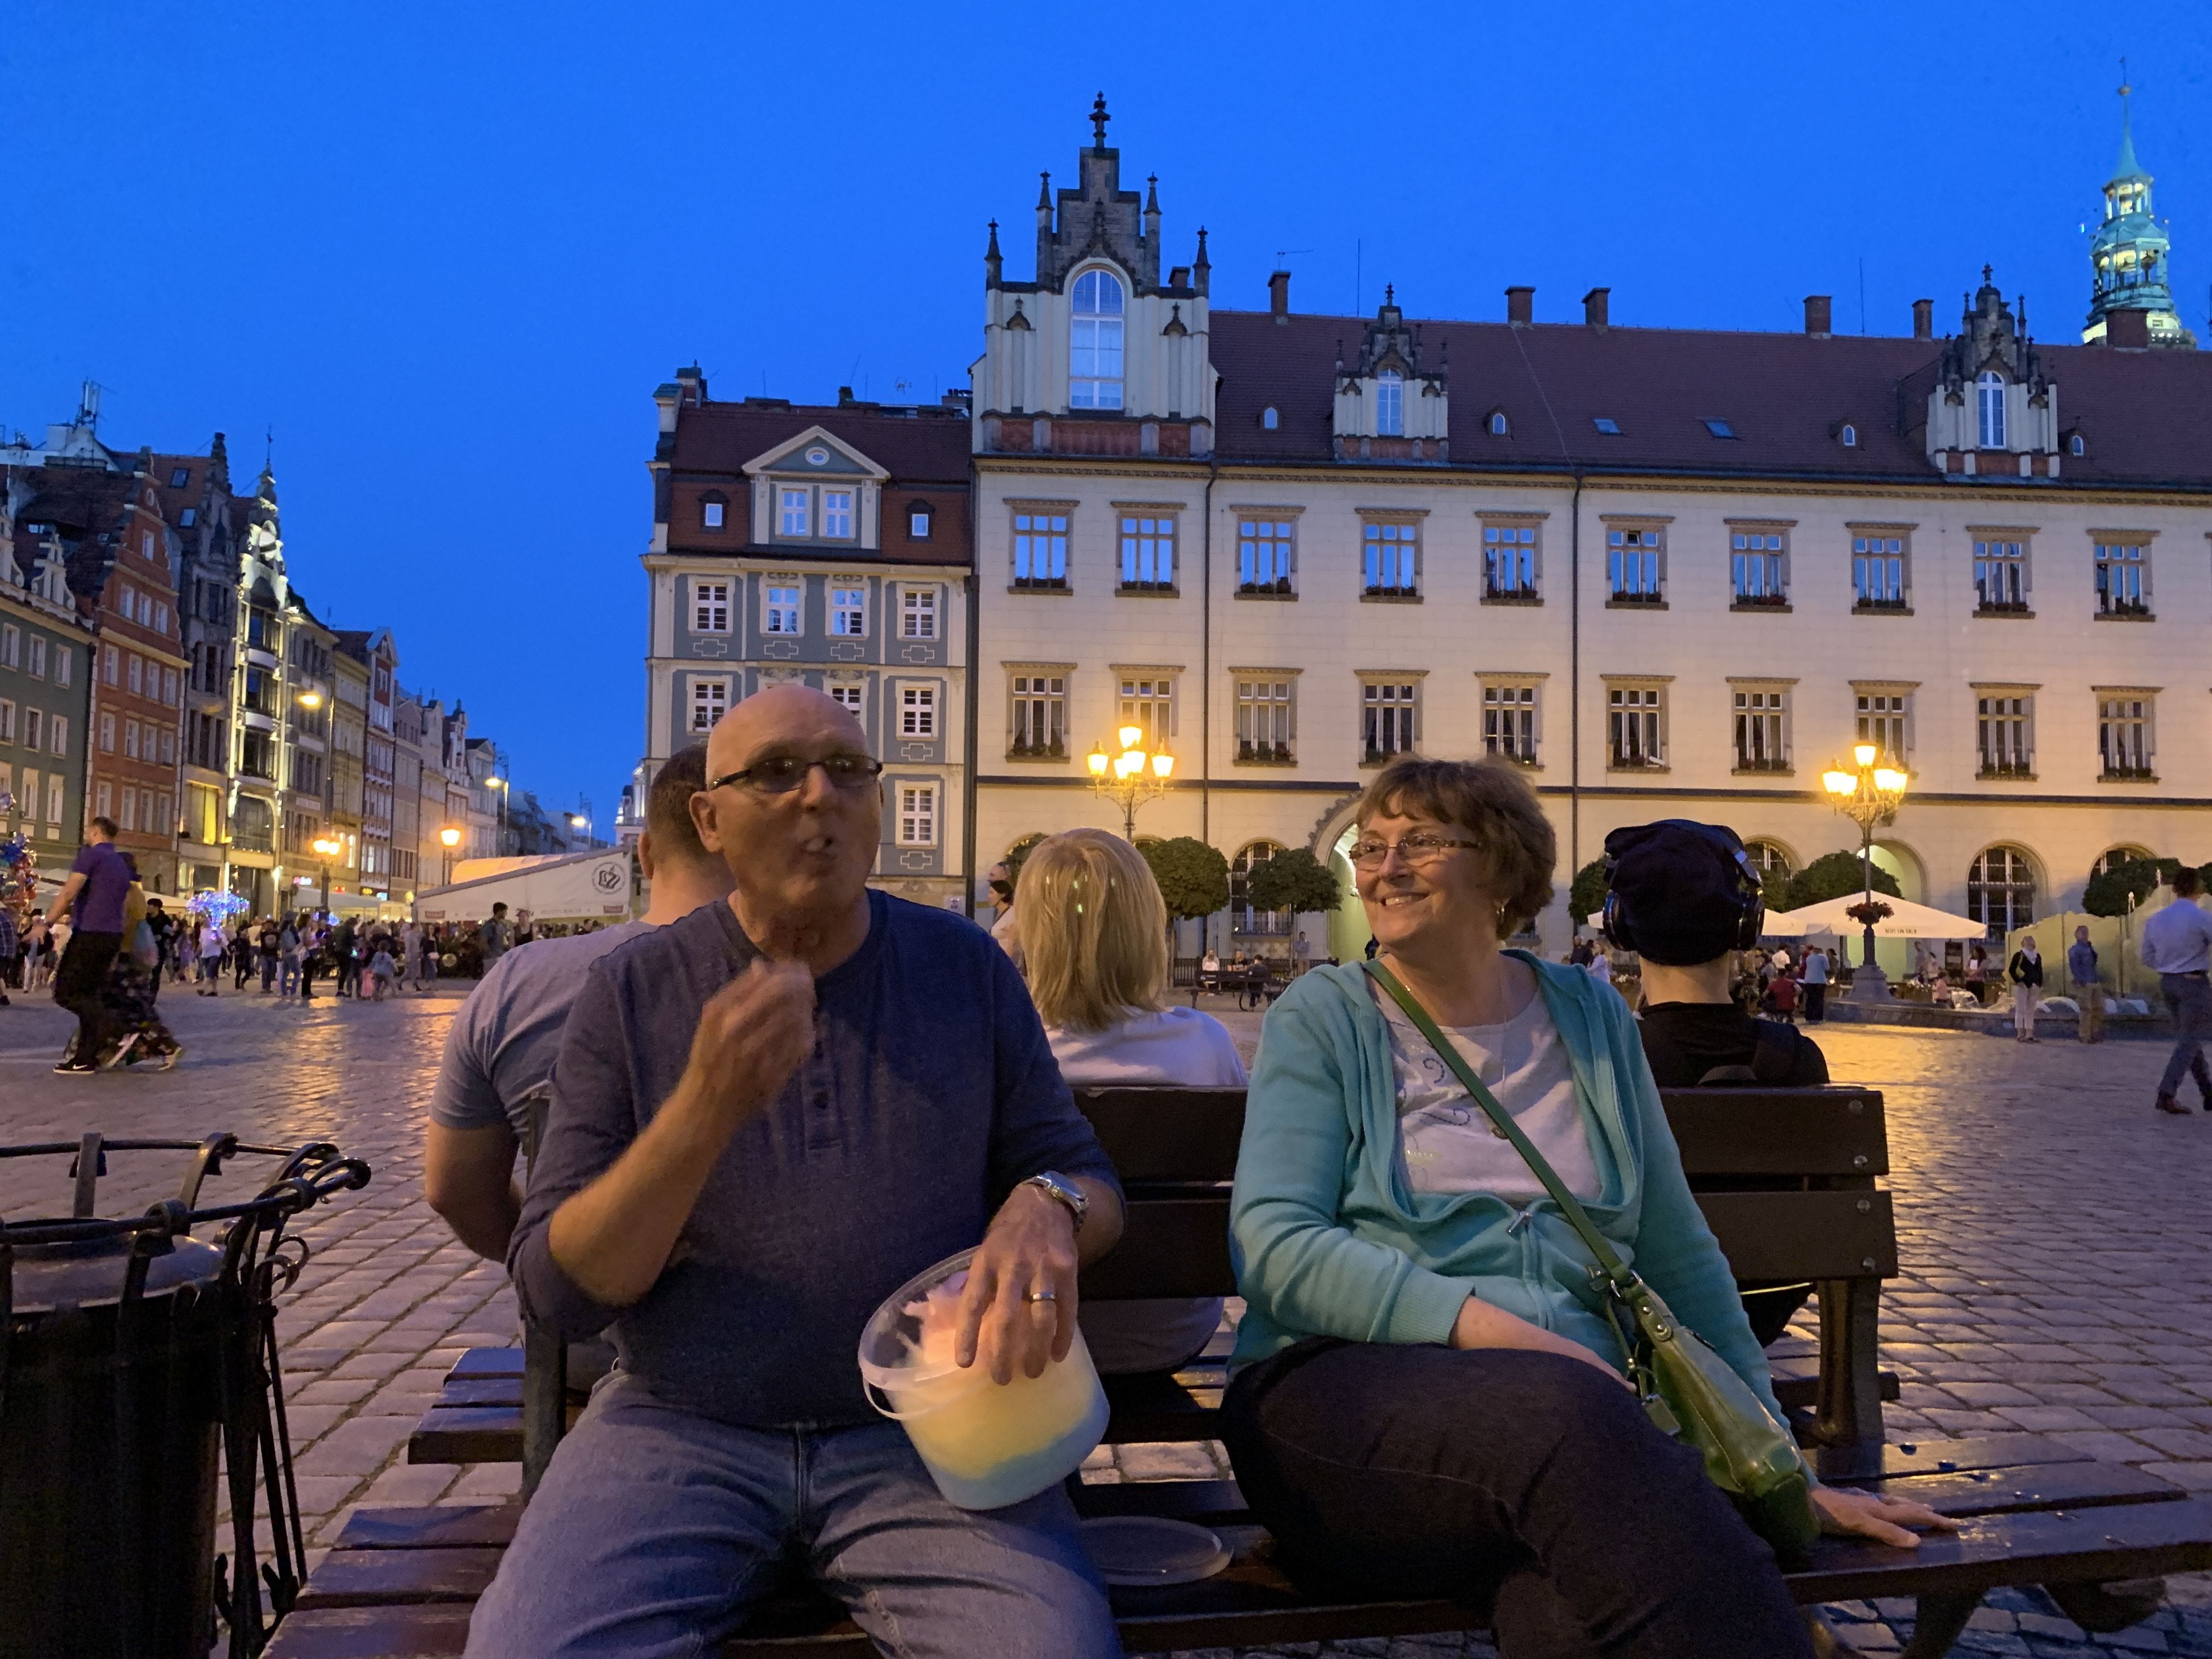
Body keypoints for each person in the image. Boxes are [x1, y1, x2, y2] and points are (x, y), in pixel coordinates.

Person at [1221, 758, 1945, 1659]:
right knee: (1571, 1419)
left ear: (1502, 868)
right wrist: (1503, 1335)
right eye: (1369, 845)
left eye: (1420, 841)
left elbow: (1678, 1252)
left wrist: (1775, 1464)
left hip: (1576, 1453)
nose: (1382, 865)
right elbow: (1276, 1247)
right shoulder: (1326, 1014)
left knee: (1572, 1609)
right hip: (1342, 1412)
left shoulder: (1589, 1015)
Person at [470, 687, 1127, 1659]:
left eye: (847, 771)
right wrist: (700, 1108)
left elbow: (1079, 1169)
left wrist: (1048, 1205)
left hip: (926, 1432)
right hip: (679, 1424)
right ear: (709, 817)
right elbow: (561, 1289)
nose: (818, 795)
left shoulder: (964, 969)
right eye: (776, 772)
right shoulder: (633, 988)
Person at [427, 746, 733, 1262]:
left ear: (646, 853)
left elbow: (453, 1192)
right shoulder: (797, 982)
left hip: (578, 1331)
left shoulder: (518, 984)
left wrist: (559, 1267)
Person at [1015, 827, 1246, 1374]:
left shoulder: (1008, 1049)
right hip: (1169, 1332)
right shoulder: (1205, 1043)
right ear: (1148, 928)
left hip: (1038, 1335)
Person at [1604, 820, 1829, 1346]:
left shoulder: (1610, 1059)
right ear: (1746, 927)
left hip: (1644, 1311)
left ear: (1622, 929)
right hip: (1767, 1305)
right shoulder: (1799, 1060)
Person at [44, 816, 133, 1075]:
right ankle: (86, 1058)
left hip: (91, 933)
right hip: (111, 934)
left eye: (88, 831)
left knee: (65, 991)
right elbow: (121, 904)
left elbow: (69, 891)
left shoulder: (91, 856)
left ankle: (112, 1026)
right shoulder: (119, 862)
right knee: (89, 993)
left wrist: (47, 922)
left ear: (95, 831)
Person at [2140, 867, 2212, 1115]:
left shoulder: (2156, 919)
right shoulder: (2202, 917)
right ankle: (2167, 1093)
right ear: (2199, 890)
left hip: (2168, 981)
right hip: (2194, 982)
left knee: (2189, 1040)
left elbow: (2147, 956)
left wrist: (2168, 965)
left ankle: (2208, 1093)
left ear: (2174, 890)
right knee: (2190, 1040)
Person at [2069, 925, 2104, 1045]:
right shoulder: (2075, 950)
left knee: (2098, 1008)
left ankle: (2094, 1033)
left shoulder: (2089, 947)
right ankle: (2084, 1035)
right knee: (2086, 1010)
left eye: (2086, 932)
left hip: (2094, 981)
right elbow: (2075, 967)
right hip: (2085, 983)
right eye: (2082, 933)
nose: (2085, 935)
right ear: (2077, 935)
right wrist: (2081, 981)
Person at [2007, 934, 2044, 1042]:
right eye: (2027, 941)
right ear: (2023, 943)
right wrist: (2018, 981)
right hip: (2022, 986)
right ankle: (2020, 1033)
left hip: (2033, 985)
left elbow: (2039, 970)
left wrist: (2039, 983)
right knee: (2021, 1009)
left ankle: (2030, 1034)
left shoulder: (2037, 956)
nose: (2030, 942)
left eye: (2031, 940)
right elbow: (2012, 970)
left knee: (2031, 1010)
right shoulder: (2019, 955)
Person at [1799, 941, 1830, 1022]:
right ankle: (1818, 1017)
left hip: (1808, 980)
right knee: (1819, 999)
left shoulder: (1809, 958)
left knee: (1810, 999)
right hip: (1820, 980)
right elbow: (1827, 968)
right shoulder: (1823, 957)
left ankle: (1809, 1017)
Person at [479, 902, 512, 968]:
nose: (506, 914)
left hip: (501, 958)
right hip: (491, 960)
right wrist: (492, 956)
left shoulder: (502, 925)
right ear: (500, 912)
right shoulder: (489, 926)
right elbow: (483, 943)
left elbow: (504, 941)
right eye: (505, 911)